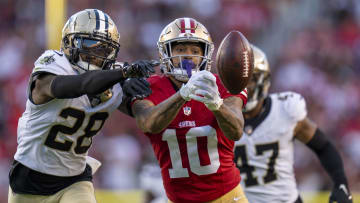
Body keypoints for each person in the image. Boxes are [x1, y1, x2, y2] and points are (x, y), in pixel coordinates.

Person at [8, 9, 156, 203]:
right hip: (30, 179)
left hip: (74, 179)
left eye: (103, 49)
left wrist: (146, 95)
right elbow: (78, 85)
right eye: (89, 45)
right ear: (69, 43)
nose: (95, 55)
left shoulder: (114, 77)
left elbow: (144, 115)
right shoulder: (53, 65)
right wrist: (122, 75)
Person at [131, 17, 249, 203]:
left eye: (195, 50)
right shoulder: (149, 87)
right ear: (165, 53)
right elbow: (148, 124)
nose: (188, 56)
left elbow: (236, 131)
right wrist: (183, 95)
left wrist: (217, 105)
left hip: (226, 196)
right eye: (180, 49)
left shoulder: (221, 84)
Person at [234, 45, 353, 203]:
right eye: (240, 79)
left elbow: (323, 146)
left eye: (251, 79)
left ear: (264, 80)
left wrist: (341, 183)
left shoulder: (284, 110)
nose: (246, 86)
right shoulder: (218, 117)